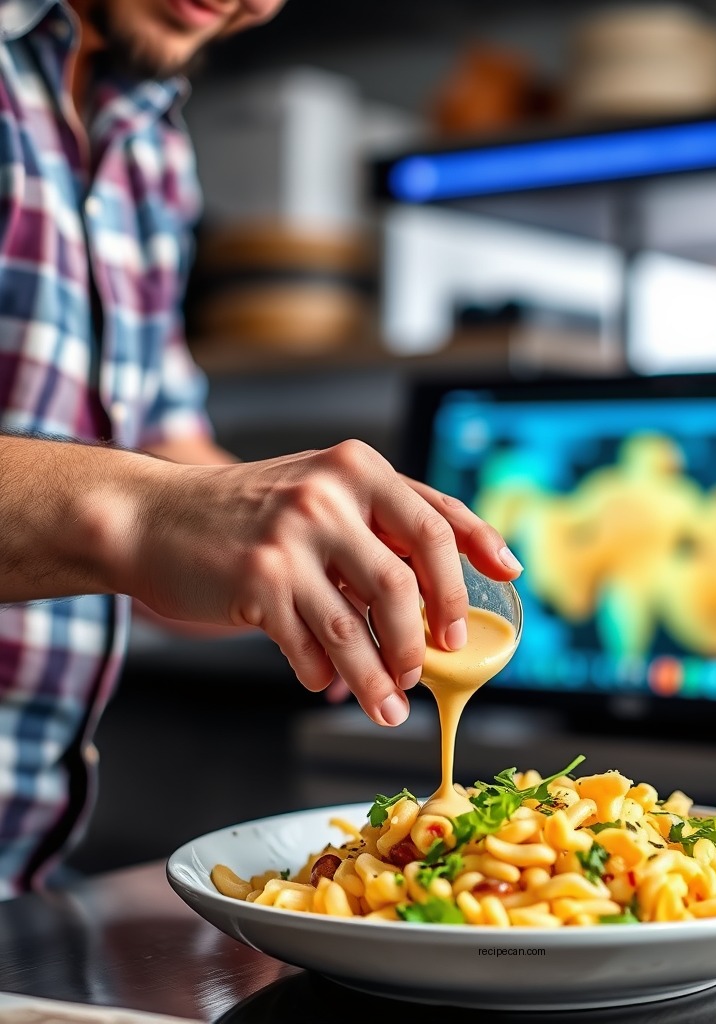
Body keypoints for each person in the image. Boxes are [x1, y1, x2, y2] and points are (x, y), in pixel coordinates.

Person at [0, 0, 524, 899]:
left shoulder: (152, 151)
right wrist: (140, 512)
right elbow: (154, 506)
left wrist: (317, 554)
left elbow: (172, 466)